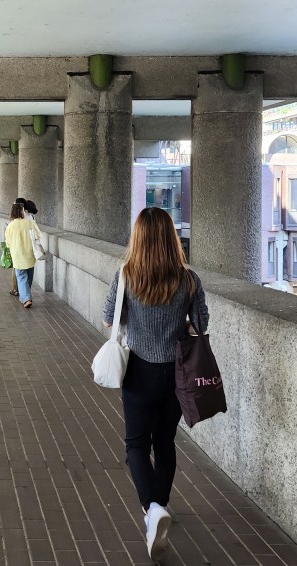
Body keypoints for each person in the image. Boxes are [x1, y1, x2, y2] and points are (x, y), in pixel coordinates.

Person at [102, 207, 209, 561]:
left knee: (136, 444)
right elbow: (201, 325)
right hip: (177, 374)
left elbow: (108, 320)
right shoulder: (189, 278)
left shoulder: (127, 274)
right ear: (170, 237)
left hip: (139, 371)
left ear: (138, 237)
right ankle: (159, 505)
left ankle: (152, 510)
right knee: (164, 443)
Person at [4, 202, 40, 308]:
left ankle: (26, 298)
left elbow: (8, 243)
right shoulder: (30, 222)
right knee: (29, 276)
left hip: (17, 255)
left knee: (21, 276)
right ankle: (25, 297)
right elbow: (38, 236)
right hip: (29, 253)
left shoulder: (10, 225)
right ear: (22, 211)